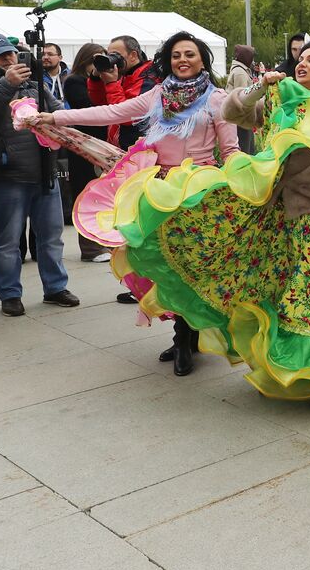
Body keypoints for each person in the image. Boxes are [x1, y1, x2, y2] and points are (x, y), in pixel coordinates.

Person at [33, 31, 241, 375]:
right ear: (168, 60)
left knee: (193, 267)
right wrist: (54, 118)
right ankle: (181, 336)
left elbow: (231, 151)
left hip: (200, 192)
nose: (183, 60)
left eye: (189, 54)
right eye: (176, 55)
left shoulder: (219, 100)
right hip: (157, 192)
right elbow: (110, 112)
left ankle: (189, 334)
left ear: (203, 59)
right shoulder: (157, 95)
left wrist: (243, 184)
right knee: (163, 267)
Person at [184, 40, 310, 407]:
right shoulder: (277, 102)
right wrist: (260, 85)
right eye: (300, 59)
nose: (302, 64)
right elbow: (231, 111)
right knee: (289, 296)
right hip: (276, 218)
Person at [0, 33, 79, 316]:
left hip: (45, 172)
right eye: (0, 56)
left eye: (11, 54)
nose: (8, 59)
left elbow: (59, 113)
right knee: (7, 241)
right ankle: (9, 294)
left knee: (52, 237)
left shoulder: (35, 85)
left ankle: (55, 287)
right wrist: (7, 84)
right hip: (7, 176)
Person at [64, 43, 112, 263]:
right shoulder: (74, 81)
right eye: (96, 58)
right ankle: (90, 248)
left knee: (102, 196)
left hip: (102, 143)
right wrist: (98, 81)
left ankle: (103, 243)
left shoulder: (106, 79)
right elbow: (88, 108)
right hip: (84, 146)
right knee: (86, 195)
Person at [90, 35, 157, 150]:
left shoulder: (148, 79)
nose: (113, 60)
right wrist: (96, 78)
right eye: (110, 55)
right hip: (118, 147)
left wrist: (111, 83)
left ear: (133, 55)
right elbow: (101, 104)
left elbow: (127, 117)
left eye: (116, 55)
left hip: (136, 151)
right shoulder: (125, 75)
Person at [226, 43, 257, 154]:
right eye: (251, 58)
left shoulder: (241, 70)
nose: (253, 61)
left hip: (239, 116)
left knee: (248, 146)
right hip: (241, 117)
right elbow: (241, 96)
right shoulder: (240, 72)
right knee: (245, 148)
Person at [40, 43, 67, 107]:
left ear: (60, 58)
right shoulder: (35, 77)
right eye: (43, 54)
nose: (45, 57)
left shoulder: (70, 76)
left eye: (50, 54)